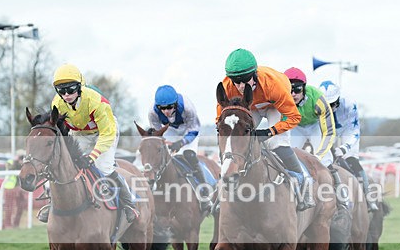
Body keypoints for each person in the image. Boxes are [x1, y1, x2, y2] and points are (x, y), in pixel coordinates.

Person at [39, 63, 138, 223]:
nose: (66, 94)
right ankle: (52, 203)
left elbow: (107, 134)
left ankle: (129, 203)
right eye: (61, 90)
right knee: (66, 165)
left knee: (103, 168)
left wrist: (92, 156)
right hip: (80, 133)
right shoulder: (56, 103)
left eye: (70, 89)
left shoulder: (97, 102)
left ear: (79, 87)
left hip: (104, 131)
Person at [219, 48, 314, 210]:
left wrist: (269, 132)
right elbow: (221, 121)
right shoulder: (227, 86)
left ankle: (303, 181)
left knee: (276, 143)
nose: (240, 86)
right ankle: (221, 190)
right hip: (250, 108)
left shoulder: (274, 85)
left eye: (244, 81)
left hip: (274, 106)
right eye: (237, 82)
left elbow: (294, 117)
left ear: (254, 75)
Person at [148, 85, 210, 213]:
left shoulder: (187, 107)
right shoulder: (152, 112)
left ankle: (204, 193)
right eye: (163, 108)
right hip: (169, 130)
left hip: (188, 130)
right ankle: (154, 189)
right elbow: (157, 133)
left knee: (189, 156)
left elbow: (194, 130)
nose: (166, 111)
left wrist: (181, 143)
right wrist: (164, 143)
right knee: (161, 159)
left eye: (170, 107)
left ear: (175, 104)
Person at [319, 80, 370, 198]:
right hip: (327, 131)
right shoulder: (316, 104)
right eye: (327, 105)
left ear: (338, 99)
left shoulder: (349, 104)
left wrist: (344, 147)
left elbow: (354, 131)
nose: (330, 109)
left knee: (351, 160)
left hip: (347, 131)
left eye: (332, 104)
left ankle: (367, 196)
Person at [3, 150, 28, 228]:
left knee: (21, 207)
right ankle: (7, 225)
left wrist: (23, 163)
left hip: (20, 187)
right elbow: (11, 169)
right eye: (21, 156)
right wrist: (16, 161)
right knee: (9, 208)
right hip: (10, 187)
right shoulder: (10, 162)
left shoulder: (24, 163)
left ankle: (16, 224)